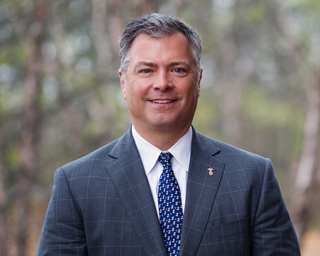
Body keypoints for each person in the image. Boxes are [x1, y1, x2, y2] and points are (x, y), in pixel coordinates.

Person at [38, 13, 300, 256]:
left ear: (197, 81)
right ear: (123, 82)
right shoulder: (77, 185)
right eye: (146, 70)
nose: (162, 83)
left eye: (177, 70)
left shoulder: (252, 177)